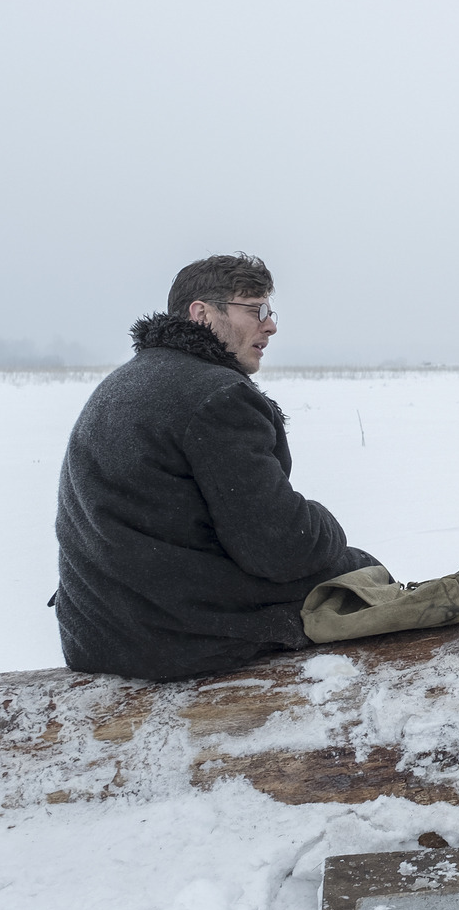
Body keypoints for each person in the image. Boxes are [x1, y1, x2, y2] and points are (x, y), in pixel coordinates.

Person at [53, 253, 379, 681]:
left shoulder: (126, 382)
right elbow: (280, 547)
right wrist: (327, 526)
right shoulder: (217, 396)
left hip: (100, 633)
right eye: (255, 310)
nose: (271, 325)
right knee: (360, 576)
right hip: (179, 636)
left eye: (271, 311)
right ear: (202, 313)